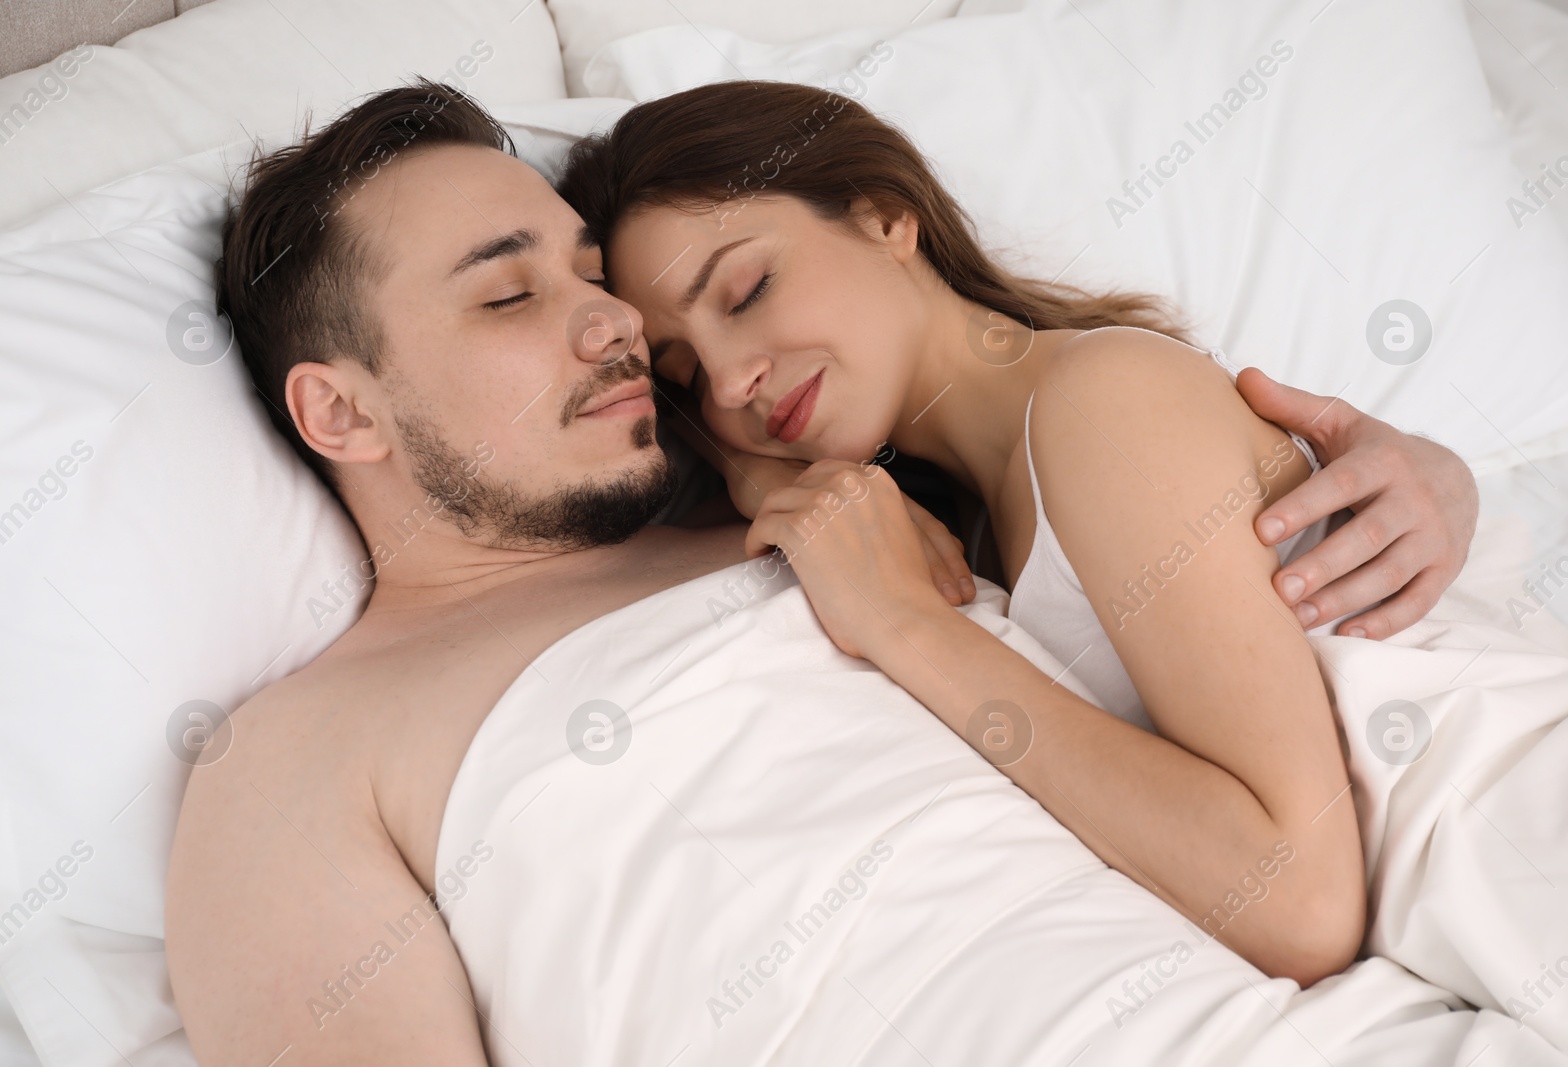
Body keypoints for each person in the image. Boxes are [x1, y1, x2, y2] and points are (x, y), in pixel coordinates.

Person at [164, 82, 1478, 1064]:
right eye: (509, 298)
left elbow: (1183, 554)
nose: (616, 320)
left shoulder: (858, 513)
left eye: (589, 275)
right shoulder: (291, 765)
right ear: (340, 414)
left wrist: (1434, 480)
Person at [557, 80, 1482, 985]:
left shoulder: (1101, 401)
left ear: (886, 218)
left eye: (748, 290)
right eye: (683, 376)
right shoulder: (977, 521)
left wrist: (910, 627)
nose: (728, 384)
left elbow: (1298, 906)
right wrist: (753, 469)